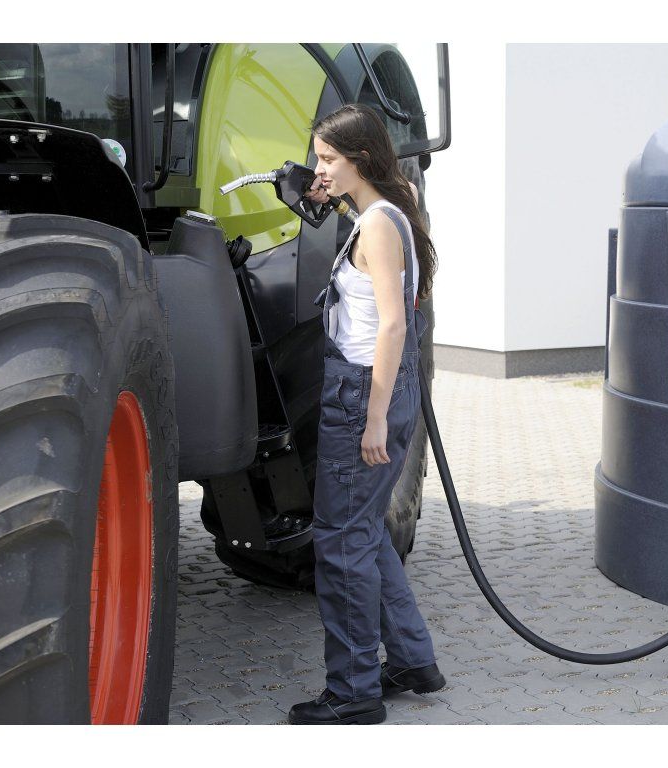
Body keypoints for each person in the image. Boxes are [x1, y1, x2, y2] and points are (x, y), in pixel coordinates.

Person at [288, 104, 444, 725]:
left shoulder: (378, 226)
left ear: (361, 159)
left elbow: (393, 324)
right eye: (318, 158)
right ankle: (412, 660)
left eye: (329, 159)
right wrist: (320, 196)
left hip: (361, 395)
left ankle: (353, 691)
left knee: (341, 543)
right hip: (375, 389)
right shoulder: (390, 210)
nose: (320, 168)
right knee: (366, 530)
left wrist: (374, 418)